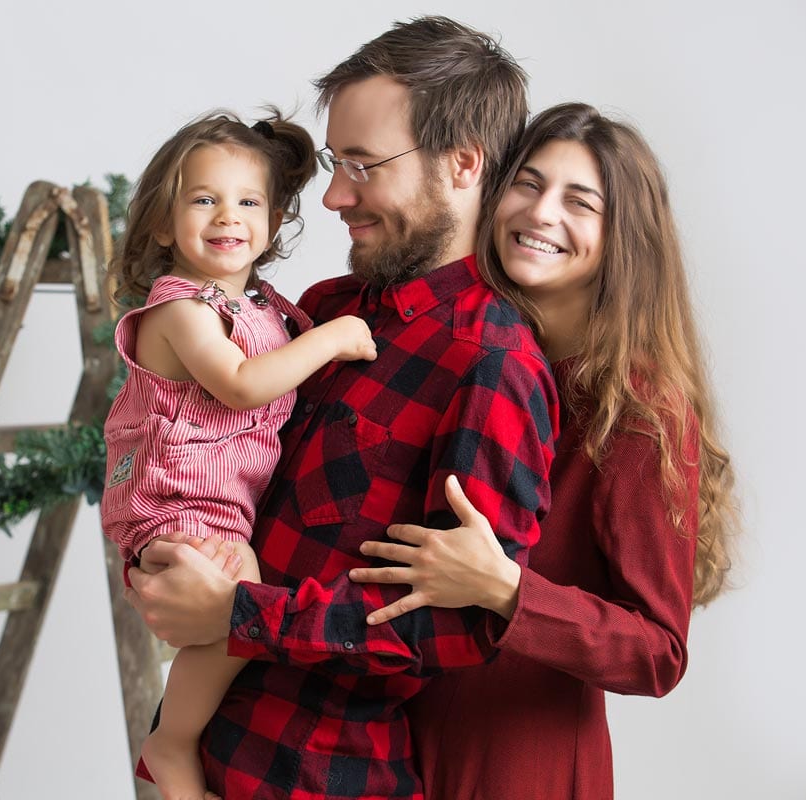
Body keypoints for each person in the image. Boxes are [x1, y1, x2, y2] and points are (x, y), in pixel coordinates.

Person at [124, 17, 559, 800]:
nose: (331, 196)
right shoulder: (323, 310)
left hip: (322, 775)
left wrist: (240, 614)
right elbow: (209, 455)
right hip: (203, 752)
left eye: (363, 164)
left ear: (463, 164)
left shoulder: (492, 364)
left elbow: (455, 624)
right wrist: (166, 557)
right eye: (333, 163)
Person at [349, 103, 740, 799]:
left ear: (623, 239)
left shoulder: (641, 411)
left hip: (517, 763)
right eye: (527, 185)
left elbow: (659, 653)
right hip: (385, 738)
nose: (540, 212)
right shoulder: (469, 352)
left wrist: (505, 589)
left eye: (578, 201)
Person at [101, 109, 378, 800]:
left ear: (275, 221)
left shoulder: (262, 307)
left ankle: (186, 735)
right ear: (164, 225)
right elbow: (242, 384)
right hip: (176, 500)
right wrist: (334, 337)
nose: (228, 216)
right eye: (204, 200)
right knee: (241, 601)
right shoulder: (180, 310)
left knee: (237, 615)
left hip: (222, 503)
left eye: (249, 202)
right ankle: (171, 740)